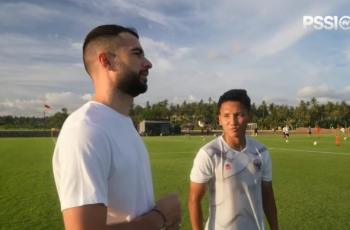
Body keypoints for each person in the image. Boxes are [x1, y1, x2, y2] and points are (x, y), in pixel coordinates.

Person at [52, 24, 181, 230]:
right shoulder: (85, 129)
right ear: (107, 60)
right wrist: (161, 217)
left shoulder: (124, 124)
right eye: (137, 54)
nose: (148, 63)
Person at [188, 89, 279, 230]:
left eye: (239, 115)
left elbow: (268, 196)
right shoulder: (209, 154)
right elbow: (194, 200)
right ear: (219, 119)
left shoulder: (261, 152)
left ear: (249, 116)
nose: (233, 121)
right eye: (226, 116)